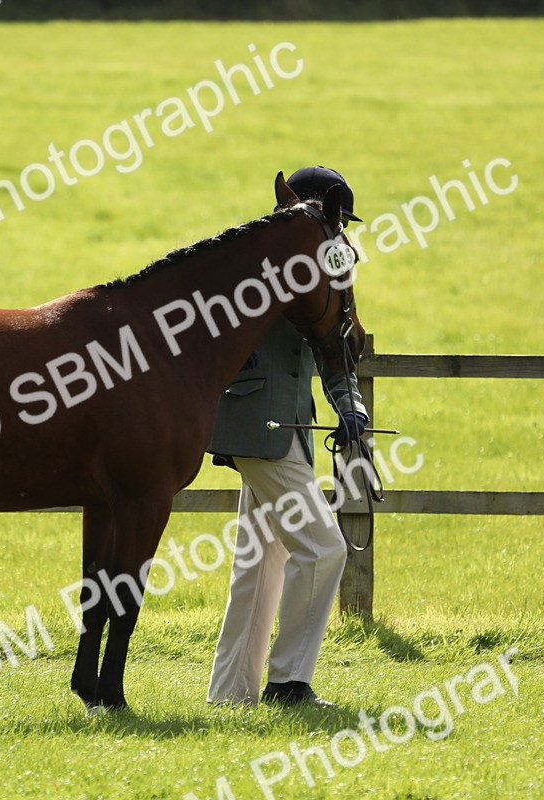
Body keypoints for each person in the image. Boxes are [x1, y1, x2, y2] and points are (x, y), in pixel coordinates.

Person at [206, 166, 368, 707]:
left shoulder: (329, 262)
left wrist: (352, 410)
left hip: (291, 430)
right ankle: (288, 683)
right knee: (324, 549)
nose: (337, 231)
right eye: (331, 218)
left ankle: (232, 694)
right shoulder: (260, 259)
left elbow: (336, 349)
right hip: (259, 426)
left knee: (260, 562)